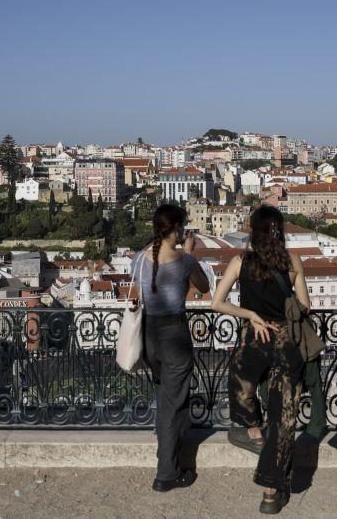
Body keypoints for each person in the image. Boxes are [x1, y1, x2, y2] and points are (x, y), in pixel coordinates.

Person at [210, 205, 311, 514]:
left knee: (240, 380)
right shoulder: (293, 262)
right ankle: (271, 492)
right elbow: (305, 306)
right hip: (285, 341)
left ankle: (251, 430)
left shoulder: (241, 262)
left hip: (254, 337)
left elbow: (217, 303)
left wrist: (251, 315)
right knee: (283, 416)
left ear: (252, 231)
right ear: (279, 231)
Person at [130, 203, 211, 492]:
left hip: (150, 336)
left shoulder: (138, 260)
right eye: (182, 227)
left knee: (165, 399)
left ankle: (166, 454)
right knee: (174, 406)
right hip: (174, 335)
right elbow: (203, 287)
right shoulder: (183, 262)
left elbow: (143, 293)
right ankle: (167, 473)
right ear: (176, 229)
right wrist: (190, 254)